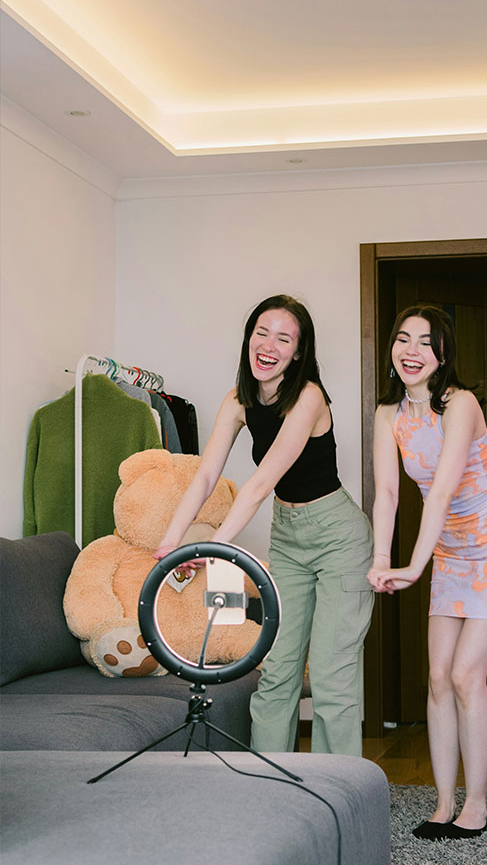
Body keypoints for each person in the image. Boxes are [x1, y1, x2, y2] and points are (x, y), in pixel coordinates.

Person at [155, 295, 374, 756]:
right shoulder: (238, 400)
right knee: (277, 670)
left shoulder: (309, 396)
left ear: (298, 352)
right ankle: (269, 784)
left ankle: (338, 793)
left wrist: (210, 549)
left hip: (338, 537)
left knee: (333, 675)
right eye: (261, 332)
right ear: (248, 338)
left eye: (284, 337)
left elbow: (258, 484)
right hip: (288, 537)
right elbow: (207, 475)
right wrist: (172, 542)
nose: (268, 344)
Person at [368, 305, 487, 842]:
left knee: (466, 675)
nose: (411, 350)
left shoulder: (460, 404)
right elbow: (389, 494)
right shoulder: (387, 415)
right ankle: (443, 804)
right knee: (437, 676)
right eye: (402, 339)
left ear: (442, 355)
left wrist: (413, 564)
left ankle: (477, 805)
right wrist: (379, 559)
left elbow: (440, 489)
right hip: (450, 556)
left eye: (425, 341)